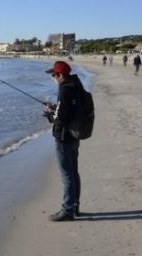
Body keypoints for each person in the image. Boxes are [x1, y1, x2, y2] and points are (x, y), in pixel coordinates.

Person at [43, 61, 83, 221]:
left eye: (53, 75)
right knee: (73, 173)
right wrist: (56, 107)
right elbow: (69, 110)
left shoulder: (64, 90)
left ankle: (67, 211)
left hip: (64, 138)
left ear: (60, 75)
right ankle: (75, 206)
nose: (52, 78)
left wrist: (51, 116)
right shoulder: (76, 86)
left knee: (67, 175)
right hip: (74, 136)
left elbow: (61, 119)